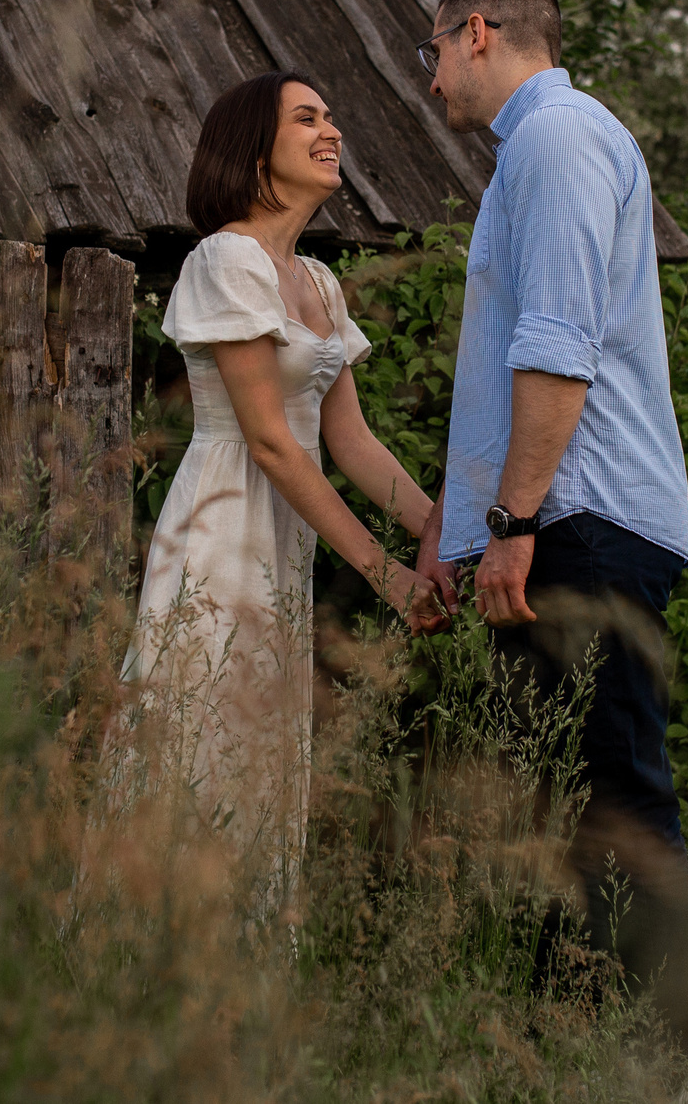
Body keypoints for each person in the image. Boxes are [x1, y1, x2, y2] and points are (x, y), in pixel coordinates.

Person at [413, 0, 688, 1043]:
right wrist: (458, 535)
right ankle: (568, 1032)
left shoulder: (561, 138)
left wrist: (514, 527)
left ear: (476, 32)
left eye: (432, 51)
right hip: (554, 522)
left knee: (615, 793)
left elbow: (557, 352)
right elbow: (495, 378)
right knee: (562, 801)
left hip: (581, 523)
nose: (431, 79)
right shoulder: (528, 155)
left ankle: (659, 1045)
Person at [121, 70, 449, 909]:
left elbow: (350, 440)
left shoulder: (319, 280)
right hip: (223, 524)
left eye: (331, 115)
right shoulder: (226, 258)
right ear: (253, 149)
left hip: (287, 534)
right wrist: (385, 572)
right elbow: (270, 439)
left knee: (261, 747)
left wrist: (444, 536)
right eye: (307, 117)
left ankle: (246, 984)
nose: (330, 129)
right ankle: (159, 964)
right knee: (204, 737)